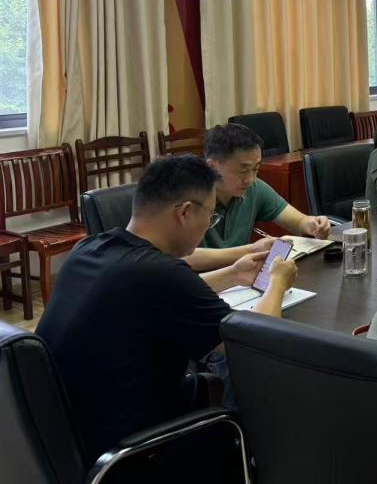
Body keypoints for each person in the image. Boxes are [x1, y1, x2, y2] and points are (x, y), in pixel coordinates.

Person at [36, 155, 298, 463]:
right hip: (132, 451)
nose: (208, 225)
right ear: (185, 212)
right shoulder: (161, 274)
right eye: (210, 216)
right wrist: (277, 282)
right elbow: (258, 343)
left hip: (62, 436)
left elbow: (157, 296)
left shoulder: (90, 248)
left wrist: (233, 274)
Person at [184, 123, 331, 272]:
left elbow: (298, 221)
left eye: (256, 169)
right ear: (212, 167)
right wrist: (251, 250)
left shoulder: (254, 188)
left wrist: (312, 225)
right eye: (243, 171)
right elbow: (181, 257)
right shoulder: (184, 196)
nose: (250, 179)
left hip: (240, 278)